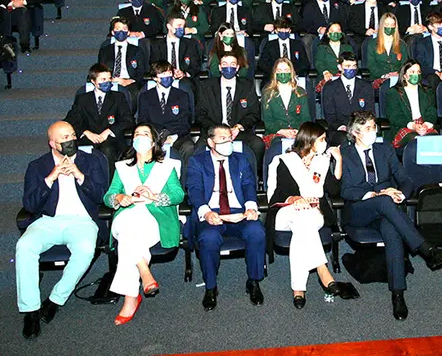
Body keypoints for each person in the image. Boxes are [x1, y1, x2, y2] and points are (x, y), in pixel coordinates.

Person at [340, 110, 442, 320]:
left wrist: (401, 194)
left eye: (374, 127)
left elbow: (405, 179)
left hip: (386, 209)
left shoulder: (384, 149)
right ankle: (426, 249)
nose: (373, 131)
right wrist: (376, 194)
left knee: (391, 229)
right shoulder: (345, 154)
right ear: (355, 132)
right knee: (384, 200)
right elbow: (345, 190)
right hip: (359, 210)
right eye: (367, 128)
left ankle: (398, 294)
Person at [16, 121, 108, 339]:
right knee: (24, 246)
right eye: (65, 138)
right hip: (48, 220)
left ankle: (55, 300)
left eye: (73, 135)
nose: (71, 140)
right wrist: (50, 178)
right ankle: (30, 310)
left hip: (82, 221)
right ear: (52, 143)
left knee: (85, 250)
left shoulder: (91, 161)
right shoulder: (37, 166)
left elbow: (102, 196)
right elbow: (30, 205)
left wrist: (79, 175)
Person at [266, 122, 359, 307]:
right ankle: (322, 269)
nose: (325, 143)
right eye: (322, 139)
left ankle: (298, 289)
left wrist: (338, 160)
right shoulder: (286, 161)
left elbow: (334, 190)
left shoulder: (321, 162)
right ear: (309, 140)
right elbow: (278, 193)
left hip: (313, 214)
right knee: (303, 218)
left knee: (304, 223)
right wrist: (294, 198)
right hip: (285, 212)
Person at [104, 123, 185, 325]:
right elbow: (108, 196)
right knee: (129, 224)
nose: (140, 137)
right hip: (127, 214)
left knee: (128, 238)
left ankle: (131, 298)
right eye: (137, 134)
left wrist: (155, 196)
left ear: (153, 141)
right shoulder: (122, 167)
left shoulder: (166, 166)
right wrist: (119, 197)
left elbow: (178, 195)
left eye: (145, 134)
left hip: (155, 217)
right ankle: (144, 270)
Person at [186, 124, 266, 311]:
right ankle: (211, 287)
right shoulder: (197, 161)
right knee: (208, 237)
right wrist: (206, 212)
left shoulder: (241, 159)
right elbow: (195, 189)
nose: (228, 142)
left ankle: (254, 281)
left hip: (238, 210)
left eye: (229, 138)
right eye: (222, 139)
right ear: (210, 142)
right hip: (212, 211)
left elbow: (249, 185)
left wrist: (251, 208)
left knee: (256, 231)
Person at [194, 52, 265, 165]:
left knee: (258, 144)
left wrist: (239, 127)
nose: (228, 67)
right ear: (219, 67)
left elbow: (254, 113)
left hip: (238, 132)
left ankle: (251, 175)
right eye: (225, 64)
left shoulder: (247, 86)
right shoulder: (206, 86)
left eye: (232, 64)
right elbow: (200, 114)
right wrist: (217, 130)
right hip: (214, 132)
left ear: (237, 68)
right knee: (198, 150)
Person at [64, 64, 135, 170]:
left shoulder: (118, 97)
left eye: (109, 79)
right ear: (93, 81)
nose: (107, 82)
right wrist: (85, 132)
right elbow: (70, 120)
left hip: (111, 139)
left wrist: (109, 131)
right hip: (88, 138)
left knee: (107, 149)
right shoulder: (82, 99)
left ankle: (109, 180)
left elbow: (128, 120)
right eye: (103, 79)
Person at [136, 61, 195, 161]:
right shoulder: (145, 97)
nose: (167, 76)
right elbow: (143, 121)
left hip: (177, 136)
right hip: (154, 136)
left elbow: (186, 121)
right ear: (155, 78)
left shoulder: (182, 95)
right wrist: (159, 136)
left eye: (169, 73)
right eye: (163, 74)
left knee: (188, 147)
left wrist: (171, 136)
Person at [321, 52, 375, 144]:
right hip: (339, 130)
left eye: (354, 66)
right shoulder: (330, 87)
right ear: (340, 67)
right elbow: (330, 116)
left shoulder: (366, 86)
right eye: (347, 66)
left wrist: (361, 128)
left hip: (361, 128)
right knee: (343, 139)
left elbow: (370, 112)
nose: (351, 69)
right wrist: (341, 127)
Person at [384, 60, 437, 149]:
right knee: (417, 141)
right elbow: (394, 116)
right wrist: (413, 126)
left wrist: (426, 124)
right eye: (412, 72)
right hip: (404, 126)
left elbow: (431, 111)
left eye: (418, 72)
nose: (416, 75)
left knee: (434, 139)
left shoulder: (427, 91)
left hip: (423, 125)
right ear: (404, 75)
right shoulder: (393, 92)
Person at [260, 57, 311, 147]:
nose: (283, 73)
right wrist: (282, 131)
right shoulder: (267, 93)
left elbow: (305, 117)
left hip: (298, 133)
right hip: (276, 133)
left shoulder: (301, 92)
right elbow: (267, 121)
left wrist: (297, 131)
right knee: (278, 147)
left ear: (291, 72)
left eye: (286, 70)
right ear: (275, 73)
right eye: (279, 70)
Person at [97, 17, 148, 103]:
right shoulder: (105, 50)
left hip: (130, 82)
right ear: (113, 32)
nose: (121, 32)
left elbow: (141, 72)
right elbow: (100, 70)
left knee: (132, 94)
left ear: (128, 32)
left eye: (124, 29)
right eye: (117, 29)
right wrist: (110, 79)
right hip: (110, 81)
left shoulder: (137, 50)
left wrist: (128, 81)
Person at [413, 12, 442, 90]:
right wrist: (437, 73)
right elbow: (421, 63)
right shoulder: (422, 43)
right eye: (439, 24)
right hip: (432, 73)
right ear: (430, 27)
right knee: (433, 79)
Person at [366, 13, 403, 86]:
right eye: (387, 24)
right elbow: (371, 66)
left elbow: (404, 64)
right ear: (382, 25)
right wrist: (386, 75)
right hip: (379, 79)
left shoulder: (402, 45)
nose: (390, 27)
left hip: (398, 79)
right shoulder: (372, 44)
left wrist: (397, 74)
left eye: (392, 25)